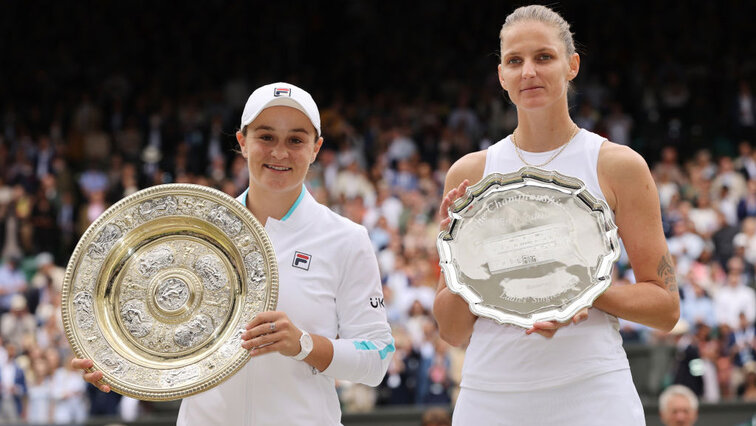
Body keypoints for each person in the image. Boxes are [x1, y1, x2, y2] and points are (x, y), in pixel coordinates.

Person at [72, 82, 394, 425]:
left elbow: (377, 358)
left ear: (316, 148)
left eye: (296, 140)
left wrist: (303, 344)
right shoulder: (193, 227)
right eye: (266, 137)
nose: (280, 153)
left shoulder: (346, 239)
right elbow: (159, 326)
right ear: (242, 142)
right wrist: (114, 362)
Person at [433, 5, 679, 425]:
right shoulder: (470, 173)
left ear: (572, 65)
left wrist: (577, 292)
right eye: (515, 61)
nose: (528, 71)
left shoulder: (618, 165)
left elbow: (664, 306)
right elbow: (453, 331)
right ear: (501, 76)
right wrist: (463, 254)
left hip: (593, 392)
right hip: (491, 395)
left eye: (543, 57)